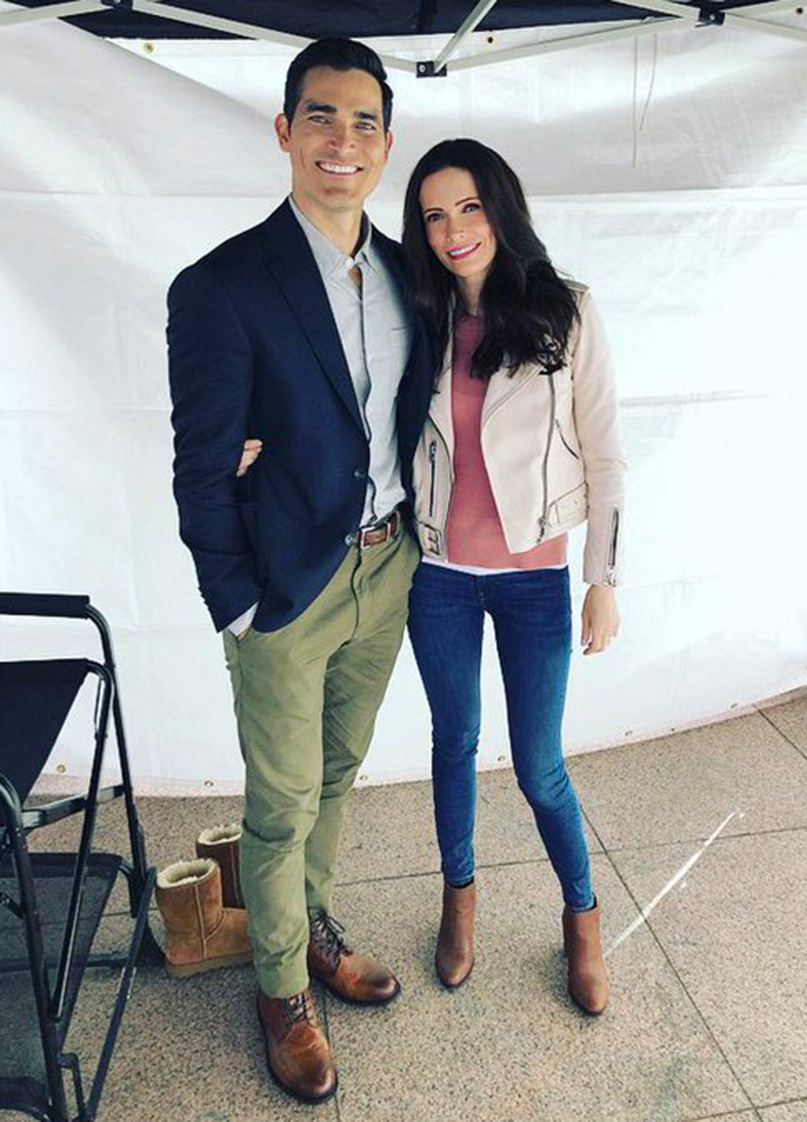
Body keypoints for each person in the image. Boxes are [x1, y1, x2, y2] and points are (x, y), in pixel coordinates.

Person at [167, 39, 432, 1104]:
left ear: (386, 145)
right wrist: (235, 602)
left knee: (336, 770)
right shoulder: (222, 285)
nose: (342, 141)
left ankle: (308, 923)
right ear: (285, 131)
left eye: (365, 122)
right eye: (321, 116)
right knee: (279, 802)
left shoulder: (411, 273)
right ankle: (280, 989)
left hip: (386, 566)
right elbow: (199, 467)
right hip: (284, 590)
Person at [401, 138, 626, 1014]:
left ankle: (583, 918)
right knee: (453, 742)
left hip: (535, 580)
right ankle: (459, 902)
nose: (453, 230)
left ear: (500, 207)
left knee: (538, 767)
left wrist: (603, 577)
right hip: (438, 577)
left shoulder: (566, 311)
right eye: (434, 215)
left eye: (468, 207)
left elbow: (606, 452)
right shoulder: (417, 317)